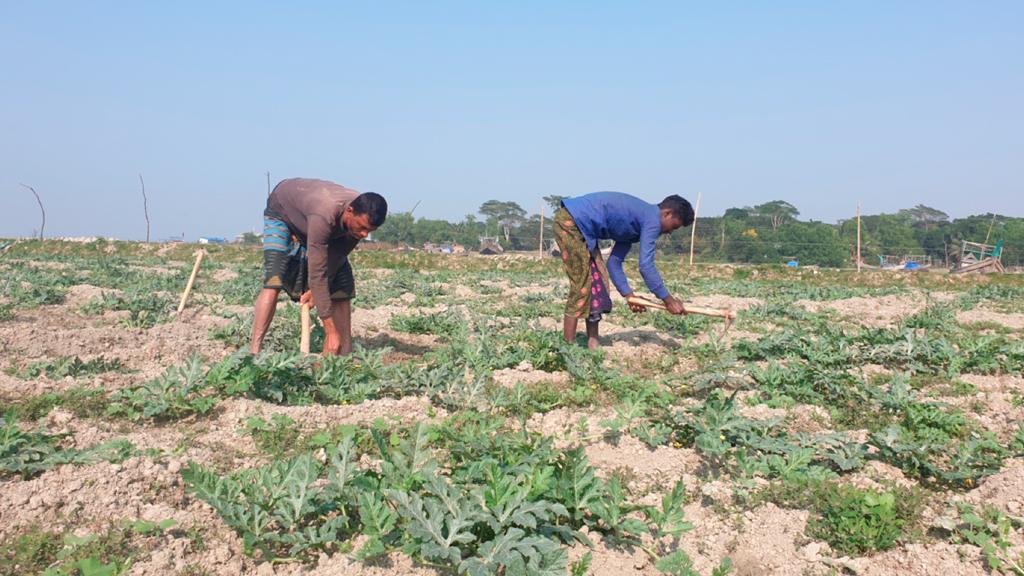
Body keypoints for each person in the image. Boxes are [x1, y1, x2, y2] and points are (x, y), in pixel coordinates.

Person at [250, 178, 387, 355]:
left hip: (311, 218)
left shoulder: (357, 221)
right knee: (274, 278)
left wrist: (316, 292)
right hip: (282, 210)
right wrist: (330, 331)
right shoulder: (324, 214)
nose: (364, 234)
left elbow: (336, 257)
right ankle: (254, 352)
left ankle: (344, 354)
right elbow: (317, 272)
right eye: (362, 227)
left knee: (342, 285)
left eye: (369, 231)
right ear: (350, 211)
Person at [553, 191, 694, 349]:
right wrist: (668, 300)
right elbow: (646, 266)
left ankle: (593, 343)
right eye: (673, 226)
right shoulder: (652, 220)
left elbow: (614, 263)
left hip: (582, 228)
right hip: (571, 223)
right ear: (666, 213)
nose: (669, 232)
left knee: (598, 283)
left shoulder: (635, 227)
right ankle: (567, 348)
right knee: (582, 286)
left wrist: (630, 296)